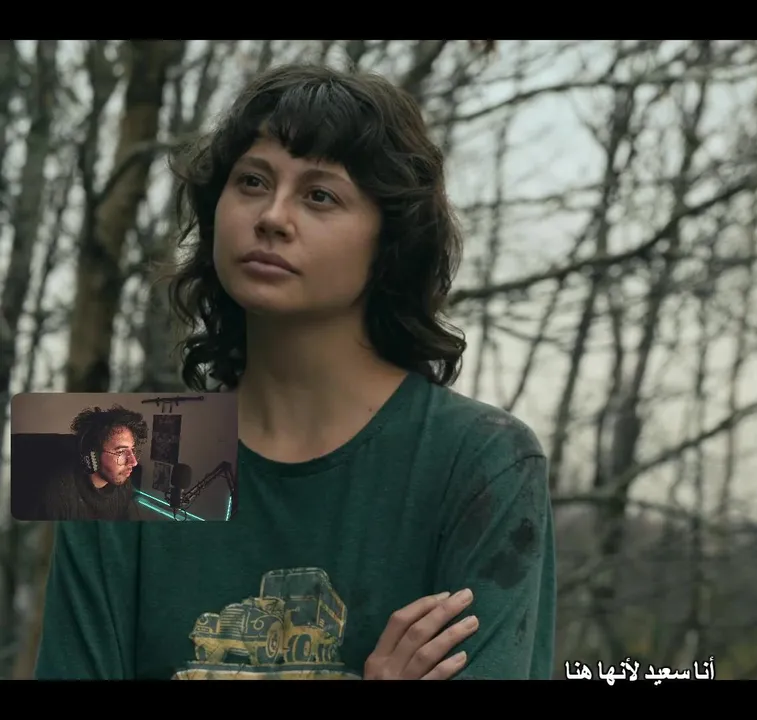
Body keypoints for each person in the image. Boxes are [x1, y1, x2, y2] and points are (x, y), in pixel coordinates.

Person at [34, 63, 556, 680]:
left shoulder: (478, 461)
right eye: (252, 181)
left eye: (319, 196)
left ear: (390, 243)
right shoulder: (125, 452)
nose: (273, 216)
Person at [40, 405, 147, 522]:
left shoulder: (124, 484)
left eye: (133, 450)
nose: (134, 462)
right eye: (121, 452)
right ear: (93, 454)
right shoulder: (59, 493)